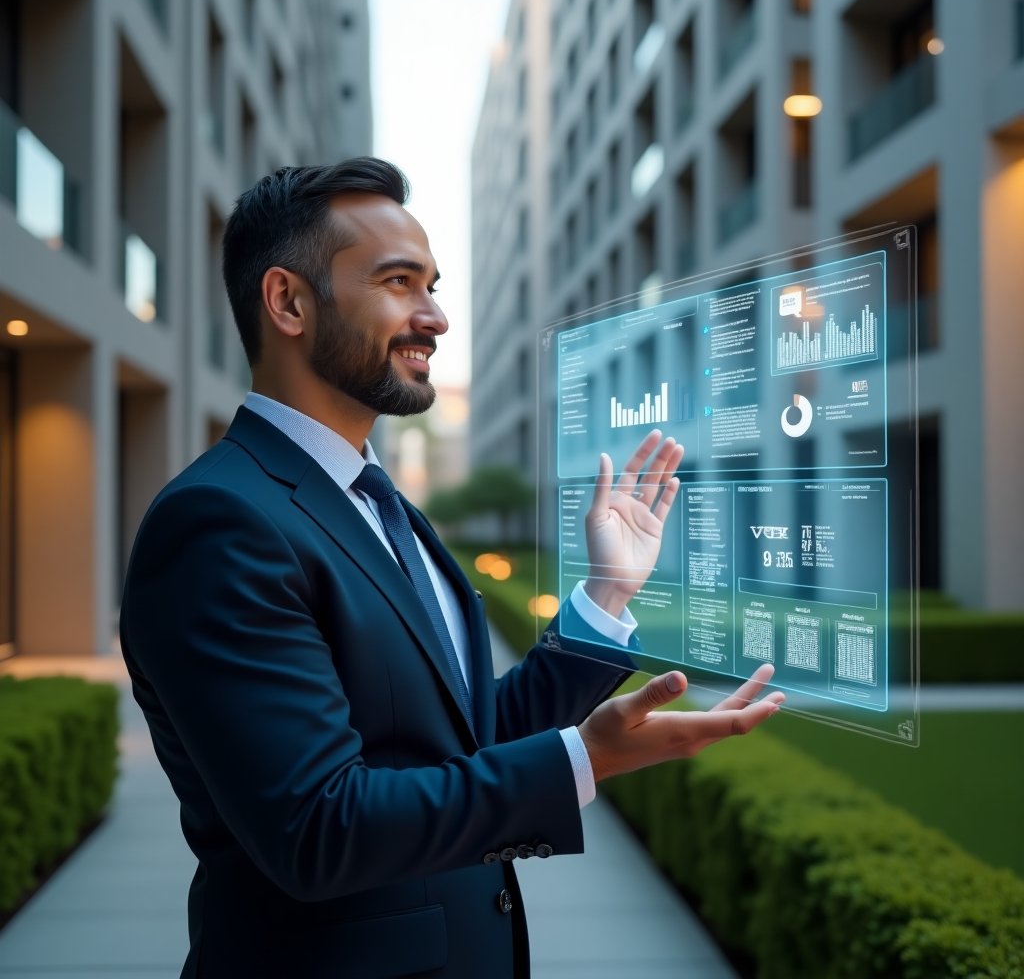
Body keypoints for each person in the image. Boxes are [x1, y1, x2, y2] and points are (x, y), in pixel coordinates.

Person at [120, 157, 784, 979]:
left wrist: (607, 595)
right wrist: (584, 760)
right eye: (400, 282)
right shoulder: (218, 522)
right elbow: (318, 828)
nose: (435, 317)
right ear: (287, 302)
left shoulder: (383, 506)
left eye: (433, 285)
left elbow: (457, 742)